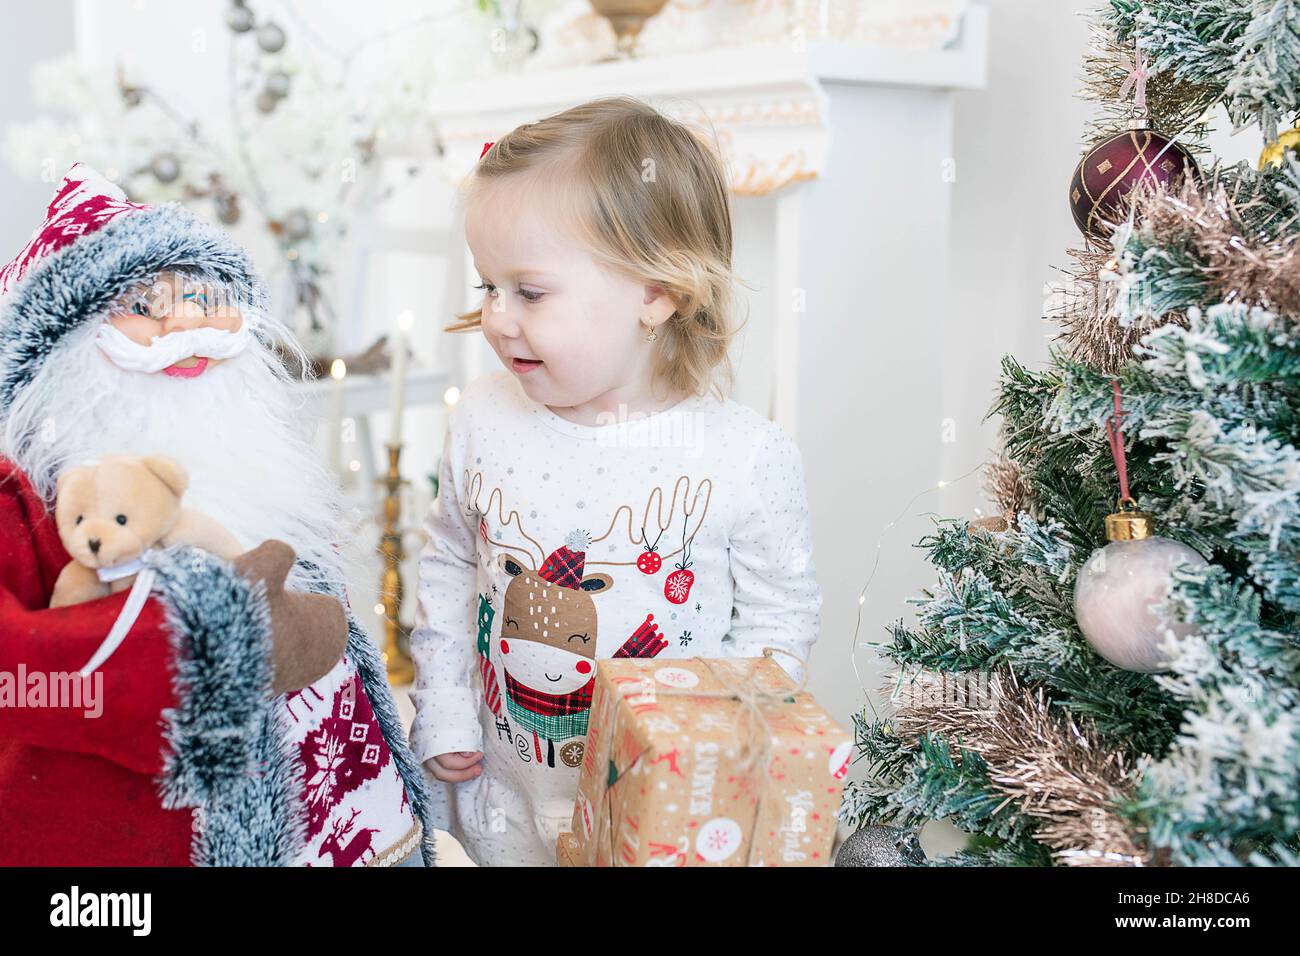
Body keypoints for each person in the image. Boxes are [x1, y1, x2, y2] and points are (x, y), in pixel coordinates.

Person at [409, 97, 822, 866]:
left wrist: (720, 758)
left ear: (654, 293)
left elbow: (780, 619)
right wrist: (441, 709)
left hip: (661, 812)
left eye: (529, 292)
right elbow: (449, 564)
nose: (499, 318)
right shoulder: (484, 419)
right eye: (486, 288)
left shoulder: (742, 456)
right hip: (507, 794)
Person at [0, 164, 433, 866]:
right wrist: (208, 637)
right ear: (61, 352)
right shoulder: (30, 502)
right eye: (145, 306)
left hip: (350, 812)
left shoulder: (271, 474)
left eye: (206, 296)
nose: (190, 324)